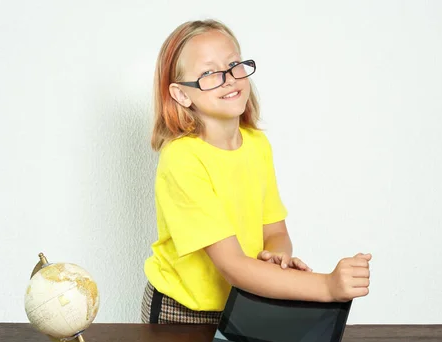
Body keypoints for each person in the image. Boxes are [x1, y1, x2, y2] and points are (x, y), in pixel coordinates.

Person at [140, 19, 371, 324]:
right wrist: (328, 286)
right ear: (182, 95)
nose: (229, 78)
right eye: (209, 72)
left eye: (233, 64)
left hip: (242, 302)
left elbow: (275, 232)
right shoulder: (182, 159)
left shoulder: (257, 145)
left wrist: (276, 257)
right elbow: (233, 266)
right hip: (182, 312)